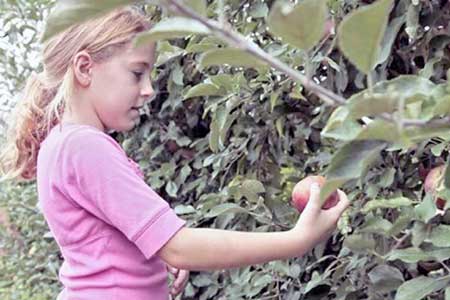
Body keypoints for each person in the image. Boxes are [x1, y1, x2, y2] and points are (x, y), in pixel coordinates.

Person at [0, 5, 351, 300]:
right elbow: (179, 245)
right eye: (137, 73)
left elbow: (101, 245)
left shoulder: (61, 144)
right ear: (85, 68)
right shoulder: (84, 146)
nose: (149, 89)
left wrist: (148, 254)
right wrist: (295, 240)